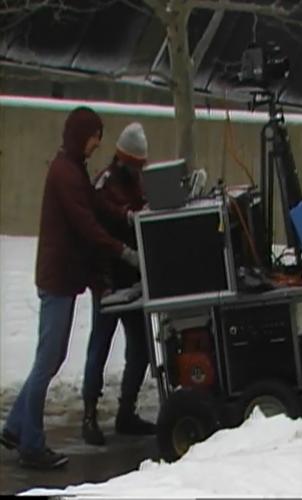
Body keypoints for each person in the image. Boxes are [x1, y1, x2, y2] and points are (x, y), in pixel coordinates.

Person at [0, 107, 139, 470]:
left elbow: (96, 205)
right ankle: (31, 445)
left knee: (52, 357)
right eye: (95, 136)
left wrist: (125, 215)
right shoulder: (64, 172)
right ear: (81, 134)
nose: (97, 144)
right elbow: (85, 223)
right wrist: (122, 250)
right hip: (57, 279)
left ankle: (15, 427)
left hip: (63, 278)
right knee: (48, 360)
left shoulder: (73, 168)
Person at [81, 122, 155, 446]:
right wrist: (127, 215)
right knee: (100, 345)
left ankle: (126, 410)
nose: (139, 171)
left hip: (133, 279)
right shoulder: (105, 184)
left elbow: (142, 208)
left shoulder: (136, 181)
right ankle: (89, 414)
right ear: (123, 158)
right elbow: (103, 218)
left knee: (140, 347)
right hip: (108, 280)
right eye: (136, 164)